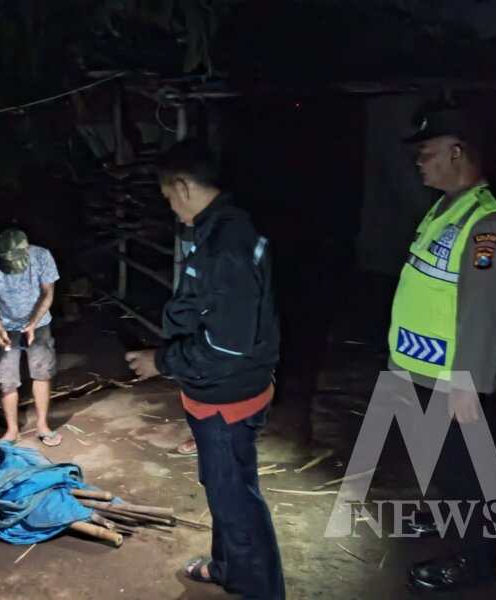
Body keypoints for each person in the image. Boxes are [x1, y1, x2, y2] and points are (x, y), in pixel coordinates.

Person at [126, 140, 286, 599]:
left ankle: (260, 589)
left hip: (227, 395)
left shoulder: (225, 247)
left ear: (182, 186)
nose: (171, 208)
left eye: (168, 197)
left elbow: (226, 347)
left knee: (235, 501)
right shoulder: (227, 227)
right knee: (225, 491)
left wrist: (160, 361)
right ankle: (228, 567)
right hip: (227, 390)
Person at [388, 105, 496, 592]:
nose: (419, 162)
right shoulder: (446, 208)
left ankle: (474, 563)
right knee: (441, 463)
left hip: (451, 380)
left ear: (457, 152)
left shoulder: (487, 228)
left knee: (468, 474)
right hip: (423, 369)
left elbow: (485, 312)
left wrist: (470, 382)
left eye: (427, 152)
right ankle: (448, 515)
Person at [0, 227, 62, 446]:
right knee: (7, 378)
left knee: (41, 372)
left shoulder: (42, 256)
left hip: (39, 323)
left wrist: (32, 324)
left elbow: (48, 293)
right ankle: (12, 431)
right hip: (6, 325)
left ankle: (43, 425)